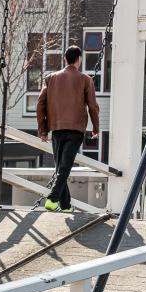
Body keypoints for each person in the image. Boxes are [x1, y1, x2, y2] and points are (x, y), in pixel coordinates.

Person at [36, 44, 100, 213]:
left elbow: (40, 104)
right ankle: (52, 198)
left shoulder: (50, 78)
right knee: (64, 167)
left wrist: (43, 130)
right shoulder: (86, 80)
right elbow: (93, 106)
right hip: (76, 129)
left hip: (56, 128)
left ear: (65, 59)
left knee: (61, 167)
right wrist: (95, 127)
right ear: (79, 60)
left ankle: (65, 206)